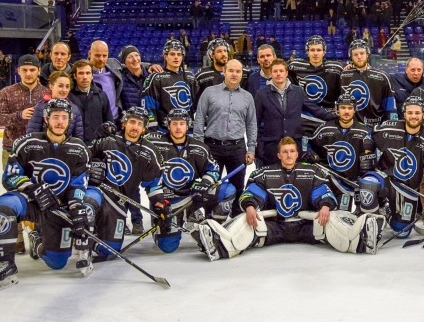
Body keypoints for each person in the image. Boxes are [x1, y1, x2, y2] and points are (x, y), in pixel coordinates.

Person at [196, 137, 379, 260]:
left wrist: (324, 206)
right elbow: (252, 193)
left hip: (305, 226)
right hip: (276, 226)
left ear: (297, 153)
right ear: (279, 155)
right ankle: (219, 245)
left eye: (292, 151)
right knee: (247, 222)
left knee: (331, 222)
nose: (289, 155)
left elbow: (323, 192)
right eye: (285, 152)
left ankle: (361, 241)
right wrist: (250, 206)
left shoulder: (311, 171)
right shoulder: (266, 173)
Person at [0, 99, 90, 290]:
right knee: (4, 205)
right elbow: (10, 176)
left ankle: (36, 239)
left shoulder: (79, 149)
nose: (60, 122)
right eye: (55, 117)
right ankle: (6, 265)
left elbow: (79, 184)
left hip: (58, 206)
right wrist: (32, 188)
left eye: (64, 117)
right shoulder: (27, 143)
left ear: (69, 120)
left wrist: (76, 205)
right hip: (31, 201)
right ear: (46, 119)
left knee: (57, 262)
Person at [144, 109, 235, 252]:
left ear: (187, 126)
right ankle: (161, 222)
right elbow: (133, 141)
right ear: (168, 126)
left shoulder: (198, 147)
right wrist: (158, 201)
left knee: (228, 190)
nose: (178, 128)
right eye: (174, 124)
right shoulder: (155, 143)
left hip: (191, 196)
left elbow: (213, 169)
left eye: (182, 124)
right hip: (166, 202)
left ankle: (210, 225)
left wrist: (205, 183)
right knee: (168, 247)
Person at [359, 96, 424, 239]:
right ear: (404, 114)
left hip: (407, 188)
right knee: (368, 184)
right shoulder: (390, 127)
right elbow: (370, 134)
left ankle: (389, 213)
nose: (413, 116)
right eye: (410, 113)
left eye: (417, 113)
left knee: (401, 232)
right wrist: (368, 152)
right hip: (385, 177)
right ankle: (371, 227)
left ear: (423, 115)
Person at [84, 106, 165, 243]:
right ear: (124, 123)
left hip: (118, 204)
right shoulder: (106, 140)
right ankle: (82, 240)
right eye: (132, 122)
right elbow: (82, 160)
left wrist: (161, 207)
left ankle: (92, 243)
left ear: (144, 128)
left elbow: (154, 185)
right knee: (88, 204)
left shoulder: (150, 151)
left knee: (109, 250)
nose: (135, 127)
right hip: (98, 192)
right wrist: (89, 171)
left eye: (139, 124)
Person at [194, 59, 257, 217]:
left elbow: (251, 124)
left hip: (237, 148)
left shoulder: (247, 97)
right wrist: (199, 147)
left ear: (242, 74)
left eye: (238, 71)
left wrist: (251, 149)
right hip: (212, 148)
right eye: (231, 71)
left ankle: (235, 219)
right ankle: (209, 220)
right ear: (224, 72)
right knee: (209, 186)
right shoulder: (209, 92)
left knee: (238, 186)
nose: (234, 74)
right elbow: (199, 119)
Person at [254, 59, 337, 166]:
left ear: (286, 73)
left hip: (294, 147)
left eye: (281, 71)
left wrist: (337, 117)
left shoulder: (298, 91)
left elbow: (315, 110)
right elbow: (255, 123)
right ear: (271, 73)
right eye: (275, 71)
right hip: (271, 148)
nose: (278, 74)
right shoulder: (261, 94)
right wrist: (259, 147)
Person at [305, 91, 375, 212]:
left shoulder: (365, 132)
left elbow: (373, 157)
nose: (346, 111)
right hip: (328, 181)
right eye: (343, 108)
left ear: (355, 110)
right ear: (337, 109)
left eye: (350, 108)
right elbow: (310, 148)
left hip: (352, 185)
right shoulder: (324, 128)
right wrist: (312, 155)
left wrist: (370, 162)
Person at [0, 55, 49, 169]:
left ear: (39, 71)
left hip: (40, 150)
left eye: (32, 70)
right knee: (12, 181)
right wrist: (19, 115)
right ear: (18, 71)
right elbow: (0, 119)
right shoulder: (6, 92)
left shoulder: (48, 93)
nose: (28, 74)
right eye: (24, 70)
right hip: (12, 149)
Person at [288, 35, 343, 138]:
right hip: (304, 115)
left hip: (327, 114)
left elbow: (343, 92)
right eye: (312, 50)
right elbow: (280, 69)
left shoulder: (336, 68)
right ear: (307, 52)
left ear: (324, 52)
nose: (315, 53)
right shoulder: (295, 66)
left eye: (319, 50)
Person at [141, 40, 198, 132]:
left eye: (179, 54)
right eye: (172, 54)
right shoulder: (156, 78)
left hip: (187, 130)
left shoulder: (190, 77)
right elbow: (148, 104)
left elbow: (197, 105)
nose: (176, 57)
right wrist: (152, 129)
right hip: (164, 131)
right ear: (165, 56)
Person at [340, 39, 398, 127]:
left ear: (367, 54)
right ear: (351, 57)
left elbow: (390, 107)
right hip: (351, 128)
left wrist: (391, 128)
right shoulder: (343, 76)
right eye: (355, 54)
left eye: (362, 53)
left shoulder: (383, 77)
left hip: (375, 128)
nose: (359, 57)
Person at [27, 71, 84, 140]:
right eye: (60, 86)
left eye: (67, 86)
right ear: (51, 86)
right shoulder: (40, 107)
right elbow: (32, 136)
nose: (64, 90)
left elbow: (78, 137)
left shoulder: (74, 109)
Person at [68, 59, 114, 145]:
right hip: (73, 145)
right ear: (75, 76)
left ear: (92, 75)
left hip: (97, 146)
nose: (85, 77)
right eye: (81, 73)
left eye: (88, 73)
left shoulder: (102, 95)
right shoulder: (68, 96)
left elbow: (109, 122)